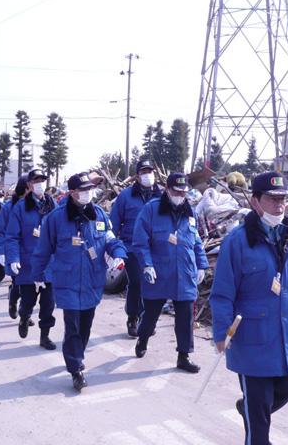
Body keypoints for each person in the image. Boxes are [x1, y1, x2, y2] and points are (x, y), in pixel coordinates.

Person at [209, 171, 288, 445]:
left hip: (285, 337)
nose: (279, 205)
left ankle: (247, 409)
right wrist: (221, 332)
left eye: (282, 199)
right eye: (271, 199)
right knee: (259, 424)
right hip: (251, 340)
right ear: (255, 202)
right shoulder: (237, 241)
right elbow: (221, 293)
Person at [31, 172, 127, 391]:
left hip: (92, 280)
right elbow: (43, 250)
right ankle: (75, 370)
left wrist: (119, 255)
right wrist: (37, 276)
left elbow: (110, 240)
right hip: (67, 280)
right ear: (72, 193)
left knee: (85, 326)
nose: (87, 194)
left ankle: (77, 356)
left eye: (89, 190)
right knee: (72, 326)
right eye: (82, 190)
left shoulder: (99, 215)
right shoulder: (56, 218)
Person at [132, 172, 209, 373]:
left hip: (184, 273)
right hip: (158, 273)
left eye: (184, 193)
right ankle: (143, 338)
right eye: (176, 191)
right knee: (150, 315)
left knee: (185, 318)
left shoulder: (189, 212)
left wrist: (201, 265)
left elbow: (197, 242)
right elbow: (140, 242)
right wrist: (147, 265)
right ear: (166, 189)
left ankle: (184, 355)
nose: (180, 196)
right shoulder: (151, 210)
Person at [5, 169, 57, 350]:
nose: (40, 184)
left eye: (43, 180)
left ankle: (45, 336)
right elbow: (11, 236)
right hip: (28, 264)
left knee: (48, 304)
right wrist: (12, 258)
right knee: (27, 301)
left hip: (49, 265)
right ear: (29, 185)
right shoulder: (20, 207)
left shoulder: (53, 205)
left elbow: (62, 232)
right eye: (36, 180)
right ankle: (24, 317)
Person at [109, 159, 162, 338]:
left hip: (155, 249)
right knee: (138, 282)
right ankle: (133, 317)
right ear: (137, 176)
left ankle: (147, 319)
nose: (147, 175)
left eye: (150, 171)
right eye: (143, 172)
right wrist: (110, 249)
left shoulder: (161, 196)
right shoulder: (126, 196)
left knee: (153, 285)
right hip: (131, 247)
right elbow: (114, 222)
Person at [0, 176, 29, 319]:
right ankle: (13, 302)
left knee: (30, 287)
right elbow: (0, 231)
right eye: (28, 188)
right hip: (14, 251)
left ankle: (25, 314)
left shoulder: (36, 206)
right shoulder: (8, 208)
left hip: (31, 253)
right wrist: (1, 252)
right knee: (18, 284)